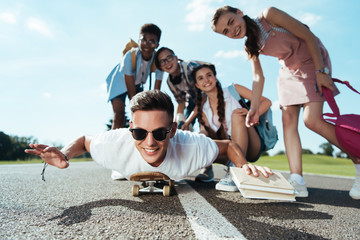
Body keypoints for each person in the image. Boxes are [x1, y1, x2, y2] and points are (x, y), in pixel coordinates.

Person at [211, 6, 360, 199]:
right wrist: (254, 108)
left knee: (311, 120)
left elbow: (308, 35)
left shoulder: (269, 15)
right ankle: (297, 179)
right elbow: (258, 77)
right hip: (288, 71)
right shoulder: (250, 46)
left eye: (231, 22)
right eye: (226, 32)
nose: (232, 31)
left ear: (239, 12)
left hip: (312, 62)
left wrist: (321, 72)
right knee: (288, 120)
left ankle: (357, 157)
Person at [25, 90, 272, 183]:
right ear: (130, 128)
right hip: (124, 164)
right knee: (121, 170)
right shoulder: (114, 143)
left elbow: (228, 146)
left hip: (185, 161)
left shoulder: (191, 145)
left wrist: (244, 168)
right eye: (140, 133)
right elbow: (83, 140)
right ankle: (121, 170)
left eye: (160, 133)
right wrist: (65, 155)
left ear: (173, 130)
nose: (150, 142)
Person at [188, 63, 272, 191]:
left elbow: (266, 101)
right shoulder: (203, 108)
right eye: (200, 78)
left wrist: (251, 113)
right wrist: (196, 142)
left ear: (215, 77)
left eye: (209, 75)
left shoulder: (233, 90)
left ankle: (235, 172)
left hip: (251, 146)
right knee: (203, 140)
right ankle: (220, 168)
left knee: (237, 114)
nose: (206, 80)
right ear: (197, 85)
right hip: (230, 150)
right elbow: (204, 132)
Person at [106, 23, 164, 180]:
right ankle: (114, 161)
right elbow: (129, 85)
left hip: (137, 84)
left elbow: (157, 89)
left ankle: (138, 158)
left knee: (144, 118)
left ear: (157, 44)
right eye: (143, 39)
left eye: (152, 41)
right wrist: (136, 108)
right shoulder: (130, 55)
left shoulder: (157, 60)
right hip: (119, 83)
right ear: (139, 39)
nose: (146, 44)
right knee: (119, 115)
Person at [154, 47, 213, 182]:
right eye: (162, 62)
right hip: (192, 101)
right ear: (161, 68)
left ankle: (207, 169)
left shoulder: (190, 67)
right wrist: (176, 123)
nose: (167, 63)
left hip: (209, 96)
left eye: (169, 58)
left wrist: (189, 121)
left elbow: (203, 98)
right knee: (180, 130)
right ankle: (179, 167)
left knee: (205, 128)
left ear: (176, 58)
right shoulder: (170, 81)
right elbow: (180, 102)